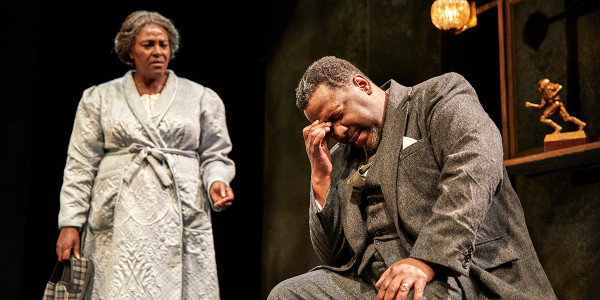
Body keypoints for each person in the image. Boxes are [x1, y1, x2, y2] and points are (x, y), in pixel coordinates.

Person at [268, 56, 556, 299]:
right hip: (376, 281)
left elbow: (475, 166)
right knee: (287, 295)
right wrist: (320, 178)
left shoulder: (436, 97)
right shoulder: (341, 158)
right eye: (328, 127)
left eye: (338, 115)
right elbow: (335, 258)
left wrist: (426, 260)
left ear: (361, 84)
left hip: (454, 270)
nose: (338, 132)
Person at [54, 11, 235, 299]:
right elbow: (80, 163)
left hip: (180, 215)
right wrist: (70, 223)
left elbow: (216, 154)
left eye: (164, 45)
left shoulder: (201, 97)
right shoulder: (99, 97)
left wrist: (216, 181)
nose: (158, 52)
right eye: (148, 45)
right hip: (116, 220)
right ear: (130, 50)